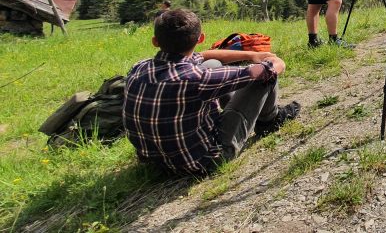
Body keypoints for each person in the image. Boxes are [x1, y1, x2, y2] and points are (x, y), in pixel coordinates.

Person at [123, 9, 300, 176]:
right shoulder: (197, 78)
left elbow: (205, 55)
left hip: (154, 163)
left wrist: (250, 55)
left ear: (155, 41)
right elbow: (264, 71)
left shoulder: (138, 67)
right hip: (203, 161)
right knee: (264, 77)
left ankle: (248, 115)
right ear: (200, 38)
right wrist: (273, 61)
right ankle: (269, 121)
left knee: (213, 63)